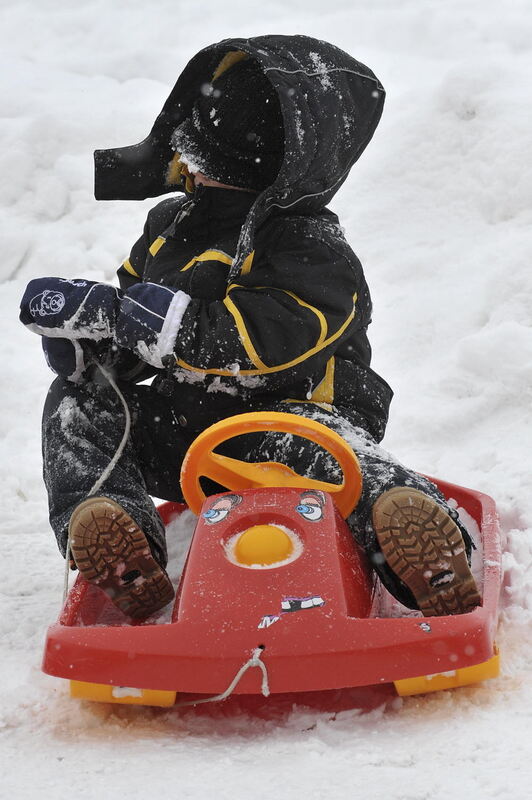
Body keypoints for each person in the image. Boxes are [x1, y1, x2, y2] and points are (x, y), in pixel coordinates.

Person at [20, 35, 480, 619]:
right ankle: (118, 535)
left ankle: (422, 545)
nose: (193, 170)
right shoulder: (170, 226)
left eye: (211, 163)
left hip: (289, 421)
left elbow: (256, 345)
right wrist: (86, 341)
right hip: (191, 435)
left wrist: (126, 315)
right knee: (77, 406)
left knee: (337, 459)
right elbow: (136, 342)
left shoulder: (308, 245)